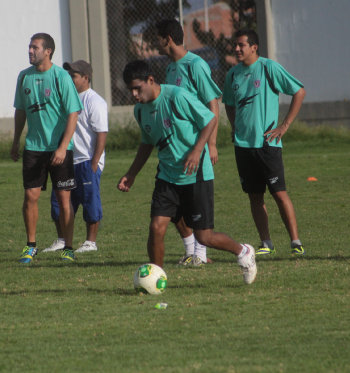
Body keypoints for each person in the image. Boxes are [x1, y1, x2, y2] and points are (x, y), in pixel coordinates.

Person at [117, 60, 256, 284]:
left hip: (196, 174)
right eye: (130, 89)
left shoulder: (176, 97)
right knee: (156, 226)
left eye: (137, 88)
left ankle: (243, 252)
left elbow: (209, 119)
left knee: (205, 236)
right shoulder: (140, 110)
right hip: (167, 175)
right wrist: (131, 173)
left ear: (150, 81)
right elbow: (147, 143)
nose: (134, 94)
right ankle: (156, 277)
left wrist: (198, 149)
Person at [223, 29, 306, 256]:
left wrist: (284, 126)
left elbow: (298, 91)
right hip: (243, 146)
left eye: (241, 45)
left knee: (279, 193)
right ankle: (266, 243)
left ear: (254, 47)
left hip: (267, 145)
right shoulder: (232, 75)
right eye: (235, 45)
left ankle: (296, 242)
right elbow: (228, 102)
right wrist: (234, 126)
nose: (237, 49)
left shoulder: (269, 68)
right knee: (255, 196)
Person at [11, 33, 83, 263]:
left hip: (59, 148)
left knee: (64, 199)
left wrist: (63, 147)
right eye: (29, 47)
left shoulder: (61, 77)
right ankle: (30, 245)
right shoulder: (24, 77)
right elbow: (20, 111)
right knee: (30, 196)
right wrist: (15, 141)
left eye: (35, 47)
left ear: (48, 51)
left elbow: (74, 112)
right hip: (34, 147)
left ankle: (68, 247)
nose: (30, 51)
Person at [156, 19, 222, 266]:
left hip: (196, 146)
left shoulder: (196, 65)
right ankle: (190, 250)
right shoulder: (171, 67)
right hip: (175, 147)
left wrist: (211, 144)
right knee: (173, 208)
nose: (156, 43)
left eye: (157, 38)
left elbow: (212, 103)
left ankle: (201, 256)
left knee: (195, 204)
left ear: (167, 38)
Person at [42, 60, 108, 254]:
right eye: (68, 75)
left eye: (74, 76)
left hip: (87, 160)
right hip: (67, 159)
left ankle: (90, 242)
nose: (69, 79)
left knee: (90, 201)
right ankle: (62, 239)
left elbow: (102, 134)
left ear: (86, 78)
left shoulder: (94, 101)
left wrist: (94, 162)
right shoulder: (65, 98)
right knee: (58, 202)